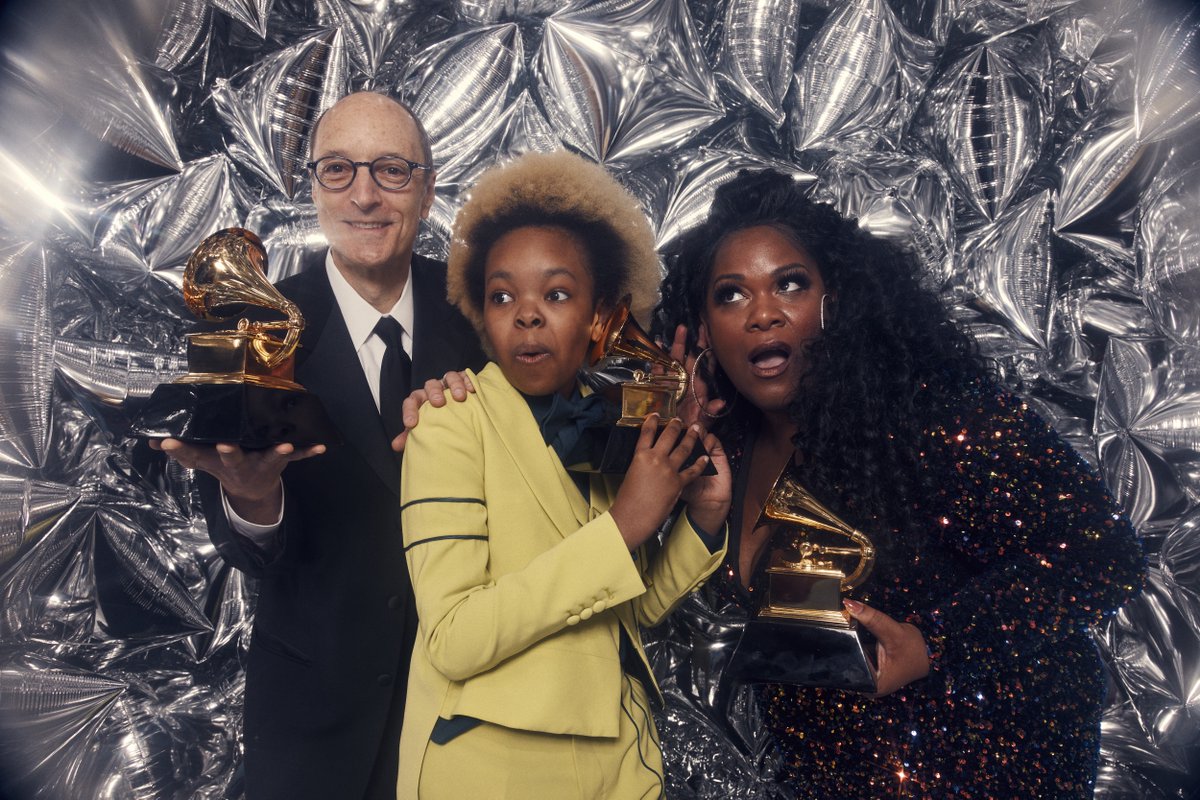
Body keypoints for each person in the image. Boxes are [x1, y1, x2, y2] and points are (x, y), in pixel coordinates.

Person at [651, 169, 1146, 799]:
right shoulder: (731, 450)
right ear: (705, 330)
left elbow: (1104, 553)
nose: (763, 314)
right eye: (732, 295)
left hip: (985, 778)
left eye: (790, 284)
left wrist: (932, 645)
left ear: (837, 301)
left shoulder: (928, 416)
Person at [150, 92, 486, 800]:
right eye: (338, 170)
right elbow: (252, 554)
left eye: (392, 170)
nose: (364, 195)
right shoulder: (257, 328)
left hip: (468, 715)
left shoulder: (486, 314)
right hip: (313, 726)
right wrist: (251, 497)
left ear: (427, 190)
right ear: (312, 189)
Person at [397, 150, 731, 799]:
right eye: (502, 295)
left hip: (620, 763)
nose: (527, 314)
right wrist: (626, 522)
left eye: (556, 293)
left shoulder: (609, 431)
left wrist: (702, 518)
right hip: (493, 770)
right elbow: (455, 639)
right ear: (484, 315)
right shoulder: (448, 422)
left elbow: (621, 614)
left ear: (600, 315)